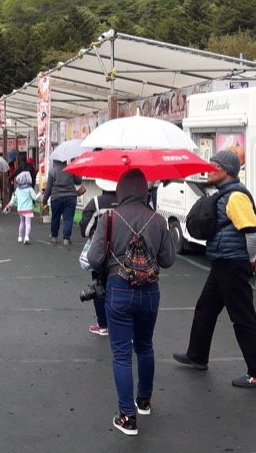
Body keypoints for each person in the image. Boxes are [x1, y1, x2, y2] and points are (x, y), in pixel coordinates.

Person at [86, 170, 175, 436]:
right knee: (145, 346)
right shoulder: (158, 219)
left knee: (122, 355)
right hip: (150, 291)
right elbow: (168, 260)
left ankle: (127, 416)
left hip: (118, 288)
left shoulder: (110, 218)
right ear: (146, 190)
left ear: (121, 190)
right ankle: (144, 401)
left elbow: (93, 258)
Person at [174, 150, 256, 388]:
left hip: (232, 264)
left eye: (213, 166)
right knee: (205, 308)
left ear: (226, 170)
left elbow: (254, 232)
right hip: (222, 261)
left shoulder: (236, 197)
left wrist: (250, 259)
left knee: (242, 317)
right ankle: (197, 355)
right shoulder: (226, 194)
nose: (208, 170)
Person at [79, 179, 119, 336]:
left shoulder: (96, 203)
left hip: (101, 251)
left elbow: (86, 230)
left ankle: (103, 325)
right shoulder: (125, 203)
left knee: (99, 287)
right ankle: (120, 325)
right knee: (120, 287)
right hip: (122, 252)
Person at [44, 159, 84, 245]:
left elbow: (48, 188)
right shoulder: (71, 169)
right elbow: (79, 181)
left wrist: (44, 199)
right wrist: (76, 168)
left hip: (56, 197)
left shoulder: (52, 171)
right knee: (68, 218)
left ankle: (54, 236)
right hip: (70, 197)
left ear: (55, 161)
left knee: (55, 217)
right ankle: (66, 238)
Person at [4, 171, 41, 244]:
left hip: (20, 209)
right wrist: (40, 193)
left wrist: (8, 206)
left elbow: (13, 200)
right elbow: (35, 198)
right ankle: (26, 236)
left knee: (21, 222)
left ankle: (20, 237)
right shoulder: (30, 189)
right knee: (28, 223)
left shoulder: (17, 189)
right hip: (28, 209)